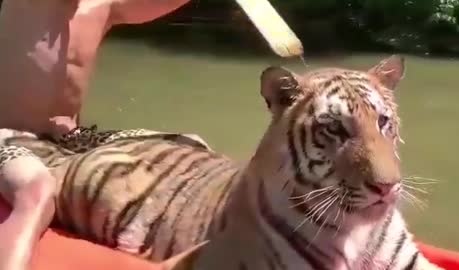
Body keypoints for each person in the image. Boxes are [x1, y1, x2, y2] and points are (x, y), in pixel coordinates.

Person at [0, 0, 302, 269]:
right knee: (37, 192)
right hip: (13, 137)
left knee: (190, 143)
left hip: (75, 139)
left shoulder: (99, 8)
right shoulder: (26, 5)